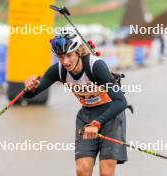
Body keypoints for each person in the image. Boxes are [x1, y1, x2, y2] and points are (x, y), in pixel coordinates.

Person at [24, 29, 128, 176]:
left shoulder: (96, 66)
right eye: (60, 57)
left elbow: (121, 102)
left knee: (106, 172)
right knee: (82, 171)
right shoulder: (58, 70)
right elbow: (30, 95)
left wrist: (97, 123)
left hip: (110, 115)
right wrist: (29, 87)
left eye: (69, 55)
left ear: (78, 52)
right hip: (86, 116)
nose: (65, 62)